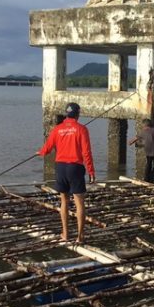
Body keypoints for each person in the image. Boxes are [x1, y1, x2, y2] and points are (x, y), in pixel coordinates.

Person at [37, 103, 95, 243]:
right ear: (78, 114)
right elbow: (86, 152)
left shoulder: (57, 129)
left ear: (66, 114)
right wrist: (91, 171)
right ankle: (80, 237)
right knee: (79, 202)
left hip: (61, 167)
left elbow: (47, 148)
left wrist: (40, 152)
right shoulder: (81, 129)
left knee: (64, 201)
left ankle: (65, 233)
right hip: (75, 167)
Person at [128, 119, 154, 184]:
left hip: (148, 151)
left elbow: (134, 139)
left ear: (144, 125)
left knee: (149, 165)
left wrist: (130, 142)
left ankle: (147, 179)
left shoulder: (142, 132)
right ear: (150, 124)